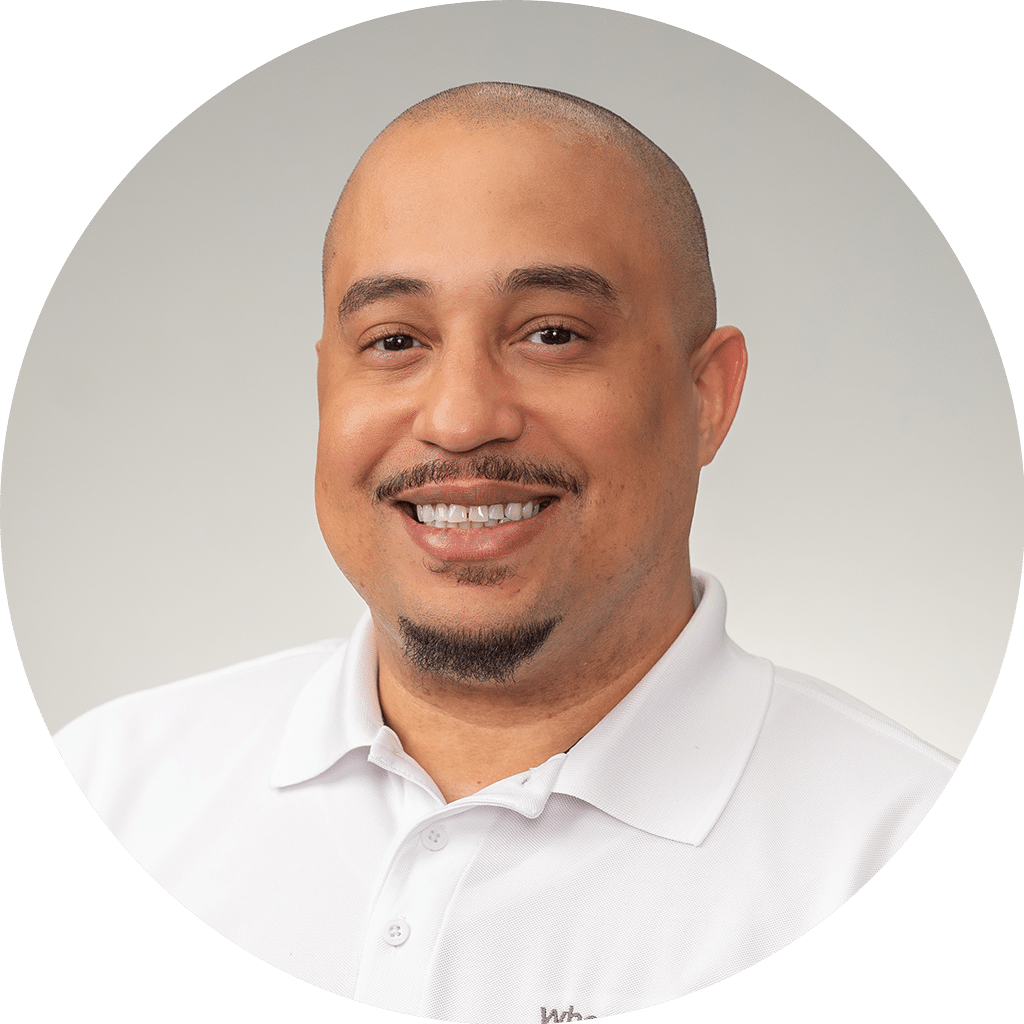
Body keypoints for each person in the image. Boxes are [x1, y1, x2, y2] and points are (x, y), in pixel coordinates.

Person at [56, 83, 955, 1023]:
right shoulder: (110, 801)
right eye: (395, 340)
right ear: (325, 384)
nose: (458, 419)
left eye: (551, 334)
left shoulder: (912, 869)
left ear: (708, 397)